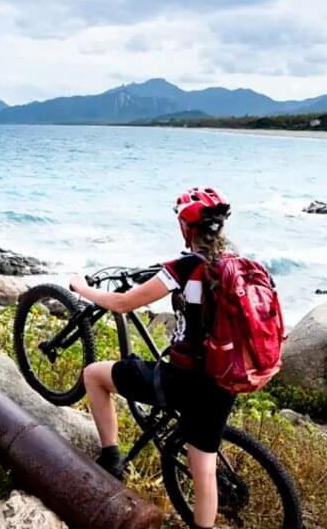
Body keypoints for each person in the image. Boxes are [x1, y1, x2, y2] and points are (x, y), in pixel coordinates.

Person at [68, 186, 236, 529]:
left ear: (185, 227)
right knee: (203, 469)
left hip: (182, 380)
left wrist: (82, 287)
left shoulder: (185, 267)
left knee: (94, 375)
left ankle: (111, 458)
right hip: (223, 379)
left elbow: (123, 303)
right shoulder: (236, 264)